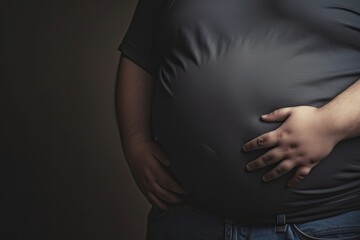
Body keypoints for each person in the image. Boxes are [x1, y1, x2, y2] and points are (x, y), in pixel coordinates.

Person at [115, 0, 360, 239]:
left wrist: (329, 125)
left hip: (322, 224)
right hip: (188, 220)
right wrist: (135, 141)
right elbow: (139, 56)